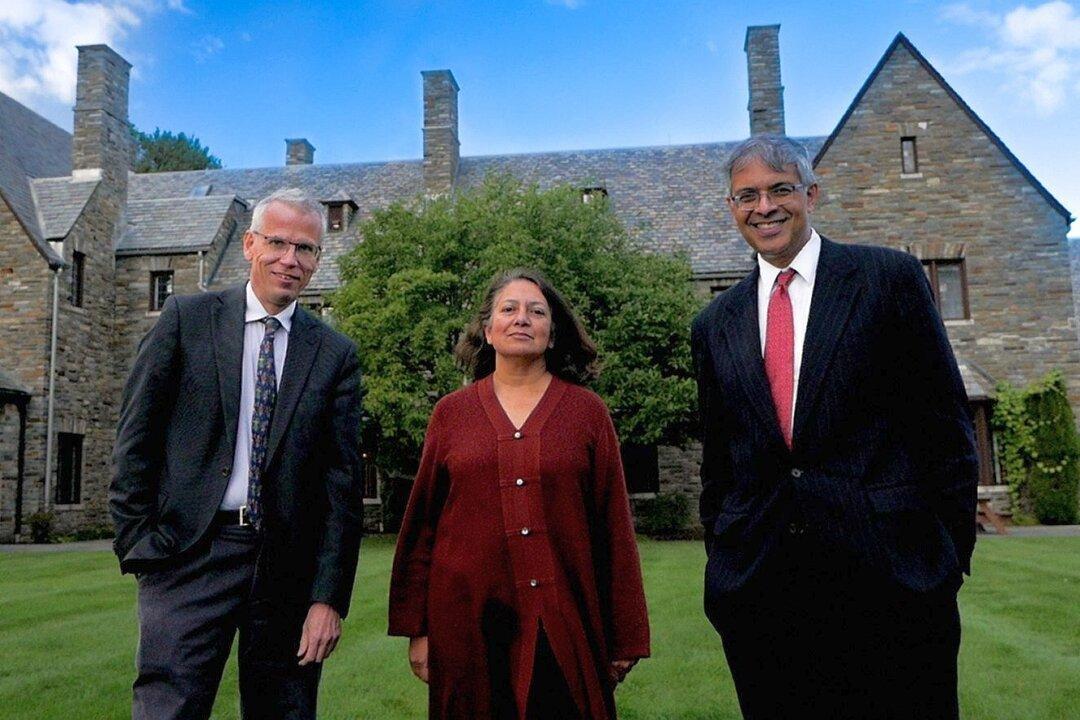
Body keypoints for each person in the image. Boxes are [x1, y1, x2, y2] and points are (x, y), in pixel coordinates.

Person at [691, 135, 978, 719]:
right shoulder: (715, 322)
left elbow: (945, 427)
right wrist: (724, 561)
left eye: (780, 190)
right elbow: (720, 461)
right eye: (747, 196)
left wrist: (944, 559)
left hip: (892, 581)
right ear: (731, 207)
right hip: (764, 592)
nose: (764, 207)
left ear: (811, 194)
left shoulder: (887, 279)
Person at [110, 188, 365, 720]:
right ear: (250, 244)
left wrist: (327, 598)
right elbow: (136, 439)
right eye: (278, 243)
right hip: (190, 553)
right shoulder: (186, 320)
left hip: (287, 566)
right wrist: (139, 543)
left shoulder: (335, 354)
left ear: (318, 259)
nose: (290, 260)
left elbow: (341, 487)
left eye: (305, 249)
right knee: (168, 709)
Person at [388, 268, 650, 719]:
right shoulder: (451, 415)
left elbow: (614, 530)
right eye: (508, 309)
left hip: (562, 620)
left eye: (537, 311)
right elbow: (423, 525)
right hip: (467, 625)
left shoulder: (586, 414)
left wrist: (625, 636)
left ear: (553, 334)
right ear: (488, 331)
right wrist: (418, 628)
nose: (522, 318)